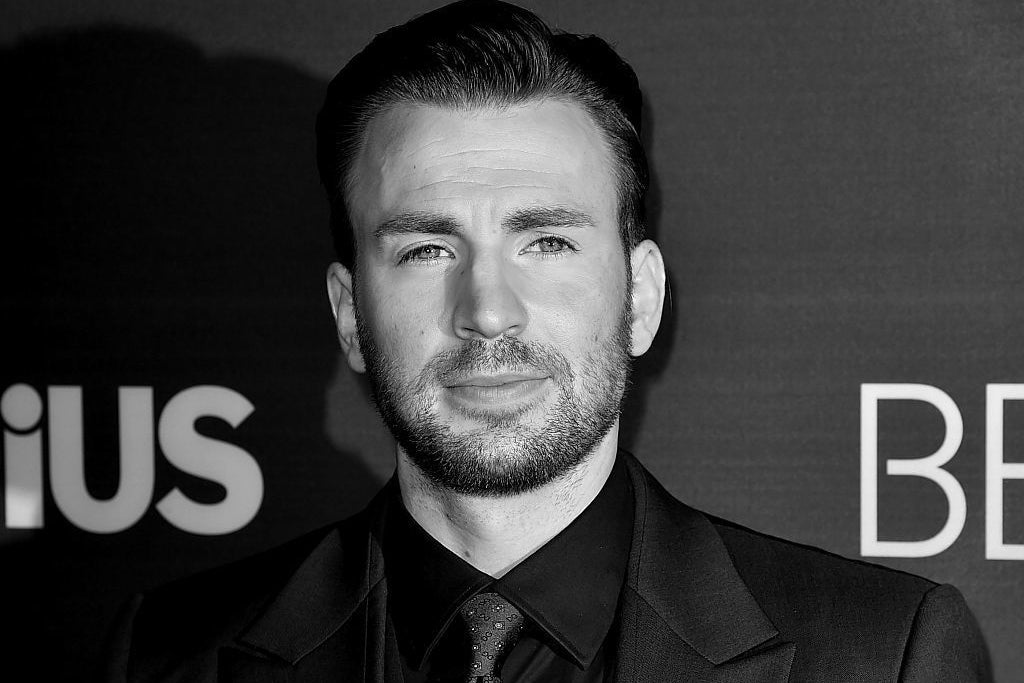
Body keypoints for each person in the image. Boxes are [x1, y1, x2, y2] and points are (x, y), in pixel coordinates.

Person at [102, 1, 993, 681]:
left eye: (548, 242)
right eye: (426, 249)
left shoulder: (882, 653)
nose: (488, 311)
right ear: (348, 314)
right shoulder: (169, 654)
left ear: (641, 298)